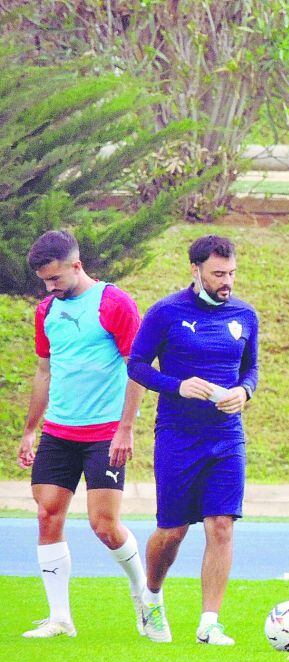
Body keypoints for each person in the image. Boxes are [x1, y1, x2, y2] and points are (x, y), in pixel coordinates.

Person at [127, 235, 259, 645]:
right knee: (173, 530)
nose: (227, 281)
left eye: (232, 273)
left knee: (221, 525)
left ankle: (209, 623)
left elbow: (251, 369)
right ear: (195, 270)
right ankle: (150, 596)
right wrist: (178, 386)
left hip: (226, 437)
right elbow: (136, 366)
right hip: (178, 436)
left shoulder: (245, 315)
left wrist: (245, 392)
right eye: (218, 273)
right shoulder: (167, 312)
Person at [17, 230, 148, 638]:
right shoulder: (46, 311)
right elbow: (44, 371)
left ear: (77, 265)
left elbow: (137, 368)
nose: (50, 288)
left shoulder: (114, 303)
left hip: (104, 432)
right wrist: (29, 431)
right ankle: (60, 618)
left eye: (56, 279)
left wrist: (125, 429)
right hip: (59, 431)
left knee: (104, 525)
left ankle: (144, 594)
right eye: (44, 282)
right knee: (47, 513)